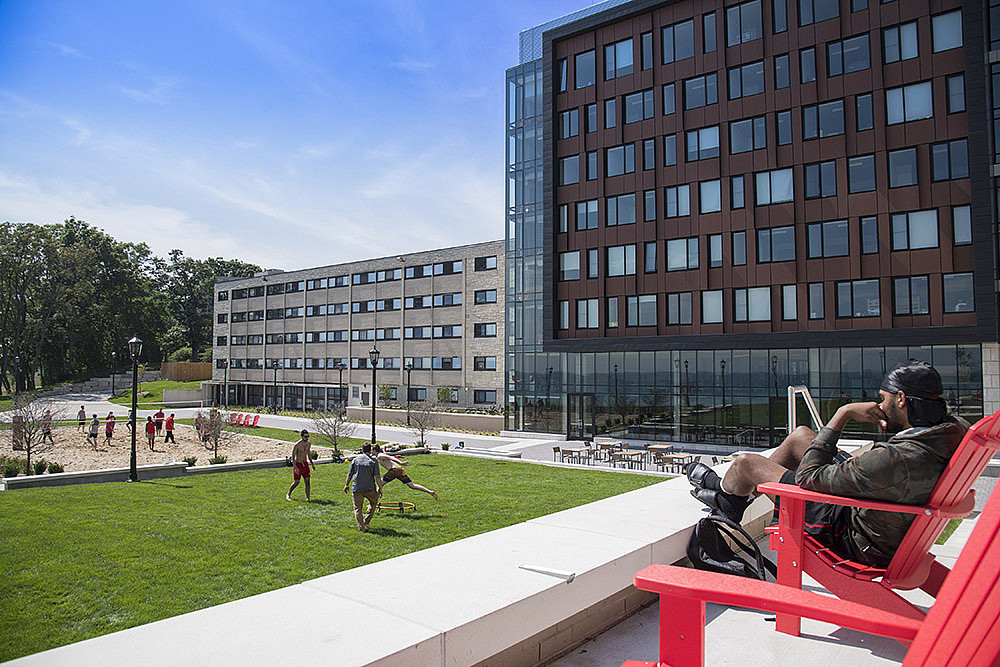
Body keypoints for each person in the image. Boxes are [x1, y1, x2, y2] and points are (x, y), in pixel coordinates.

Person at [687, 359, 968, 568]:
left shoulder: (898, 459)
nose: (880, 407)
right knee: (801, 436)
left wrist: (843, 414)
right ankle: (730, 498)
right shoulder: (948, 432)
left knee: (746, 463)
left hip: (847, 534)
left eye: (884, 400)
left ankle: (729, 496)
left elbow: (808, 478)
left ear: (902, 399)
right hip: (879, 516)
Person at [344, 443, 383, 532]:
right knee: (373, 503)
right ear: (370, 450)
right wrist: (380, 488)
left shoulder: (355, 460)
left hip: (357, 488)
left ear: (362, 450)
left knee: (358, 508)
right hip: (370, 488)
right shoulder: (373, 461)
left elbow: (350, 474)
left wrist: (346, 485)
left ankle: (361, 527)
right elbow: (377, 476)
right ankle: (366, 521)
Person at [373, 445, 437, 499]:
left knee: (379, 484)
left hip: (393, 470)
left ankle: (373, 503)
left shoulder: (380, 455)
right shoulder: (378, 456)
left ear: (374, 450)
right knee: (412, 486)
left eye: (371, 450)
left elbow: (391, 457)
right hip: (400, 470)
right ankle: (430, 492)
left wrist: (401, 462)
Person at [286, 429, 316, 502]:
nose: (307, 438)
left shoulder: (308, 444)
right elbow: (293, 457)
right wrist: (295, 467)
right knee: (297, 482)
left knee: (307, 481)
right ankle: (288, 494)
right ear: (302, 437)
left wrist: (312, 464)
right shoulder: (297, 445)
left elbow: (308, 454)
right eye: (305, 437)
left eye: (308, 436)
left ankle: (308, 498)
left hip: (305, 464)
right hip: (298, 464)